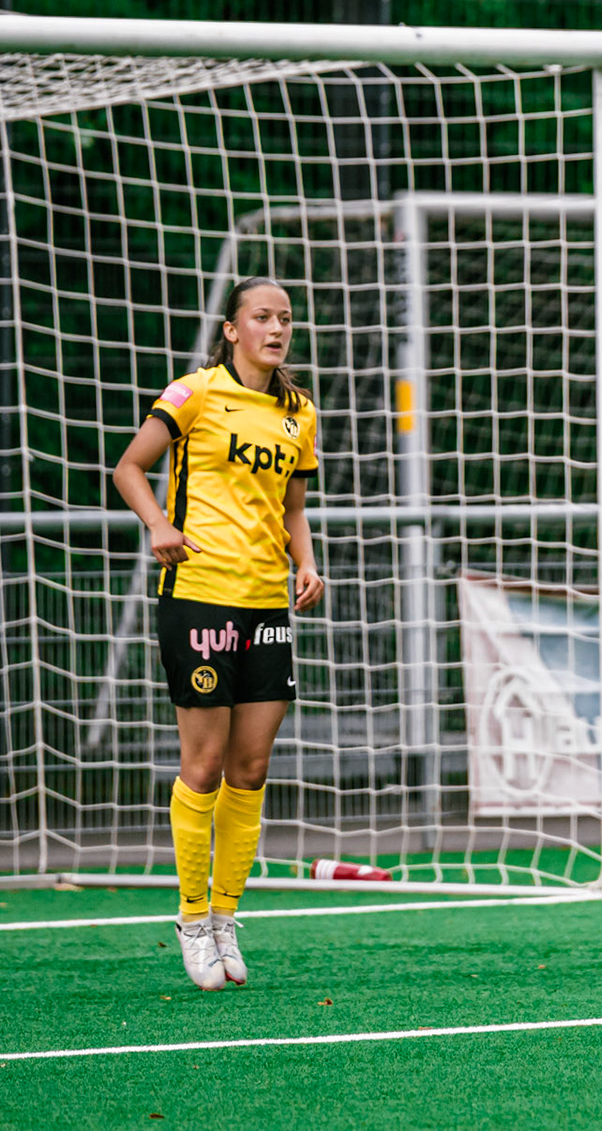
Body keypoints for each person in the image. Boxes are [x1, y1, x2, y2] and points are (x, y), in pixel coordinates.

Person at [110, 276, 324, 992]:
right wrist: (159, 524)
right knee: (202, 766)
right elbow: (129, 467)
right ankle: (192, 917)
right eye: (261, 316)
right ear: (232, 329)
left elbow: (293, 506)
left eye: (285, 318)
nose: (276, 327)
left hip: (267, 605)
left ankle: (227, 916)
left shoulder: (299, 413)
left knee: (252, 769)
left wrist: (307, 564)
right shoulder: (193, 391)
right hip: (199, 597)